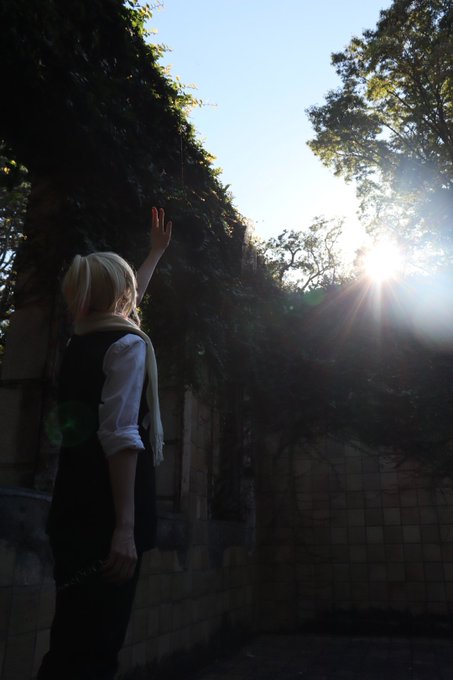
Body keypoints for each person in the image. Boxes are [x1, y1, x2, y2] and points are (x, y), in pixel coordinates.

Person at [37, 207, 172, 680]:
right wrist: (124, 529)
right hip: (106, 524)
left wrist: (153, 255)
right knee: (96, 652)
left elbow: (125, 306)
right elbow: (120, 437)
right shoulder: (126, 346)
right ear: (117, 296)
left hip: (72, 515)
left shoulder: (83, 340)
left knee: (68, 643)